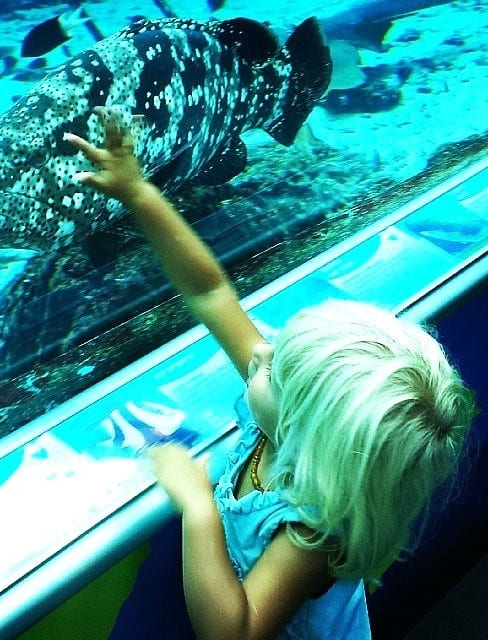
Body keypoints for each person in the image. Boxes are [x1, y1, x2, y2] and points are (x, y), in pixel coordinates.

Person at [65, 109, 476, 640]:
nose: (259, 354)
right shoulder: (290, 417)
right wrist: (138, 191)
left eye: (277, 369)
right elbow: (209, 292)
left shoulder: (311, 526)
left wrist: (197, 507)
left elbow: (233, 634)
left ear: (307, 429)